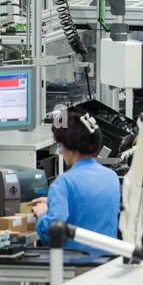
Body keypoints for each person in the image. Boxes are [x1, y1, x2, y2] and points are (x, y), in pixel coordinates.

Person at [32, 108, 121, 254]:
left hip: (76, 266)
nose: (60, 151)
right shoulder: (111, 176)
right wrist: (55, 202)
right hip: (106, 262)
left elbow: (53, 232)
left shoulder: (64, 183)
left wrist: (42, 214)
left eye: (61, 146)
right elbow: (89, 208)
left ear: (72, 148)